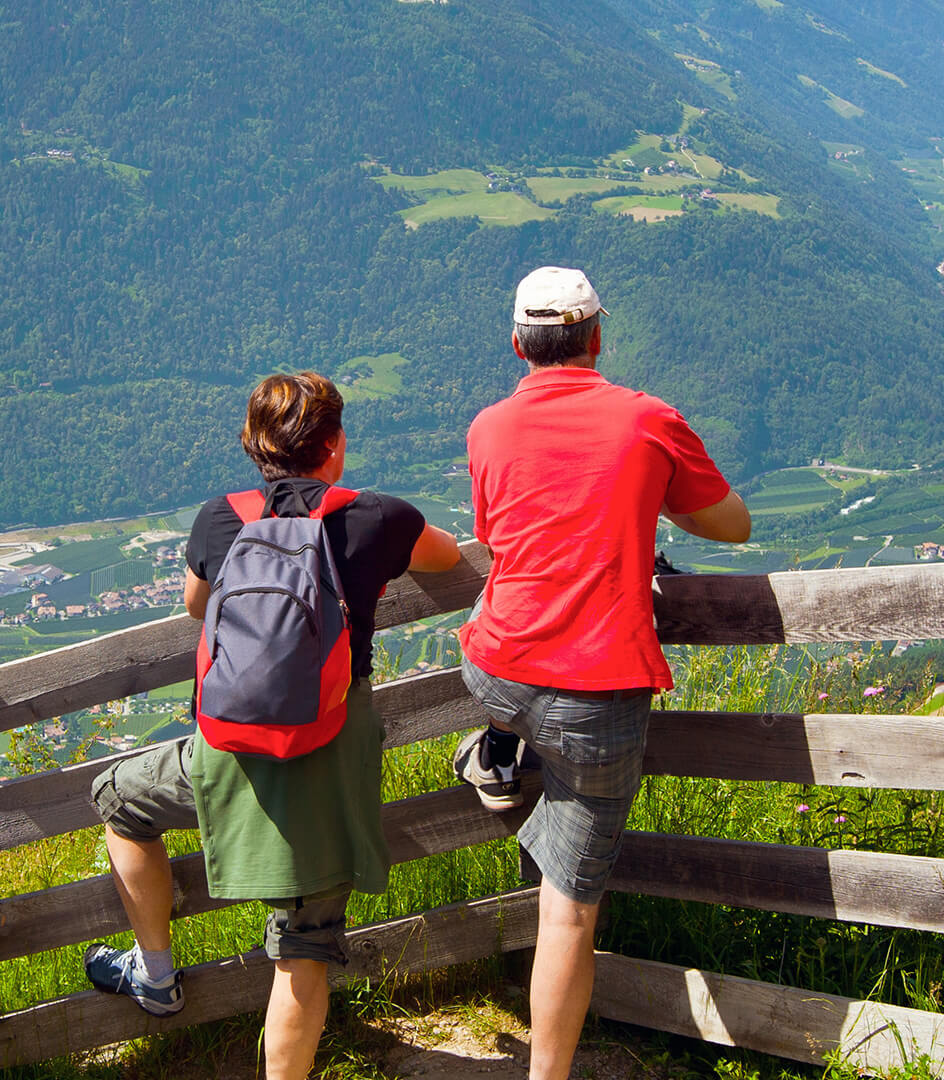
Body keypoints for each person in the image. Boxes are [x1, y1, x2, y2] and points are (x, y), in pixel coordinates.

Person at [84, 372, 462, 1079]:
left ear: (257, 448)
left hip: (227, 751)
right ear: (336, 445)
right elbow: (448, 559)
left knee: (117, 797)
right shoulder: (377, 518)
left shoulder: (217, 518)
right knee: (303, 949)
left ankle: (156, 975)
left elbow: (199, 605)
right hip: (331, 752)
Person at [457, 265, 749, 1080]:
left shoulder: (487, 429)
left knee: (522, 722)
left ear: (519, 345)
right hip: (594, 690)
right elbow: (732, 525)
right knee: (569, 913)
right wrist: (646, 495)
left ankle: (498, 753)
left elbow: (497, 533)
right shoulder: (648, 421)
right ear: (596, 339)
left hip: (495, 665)